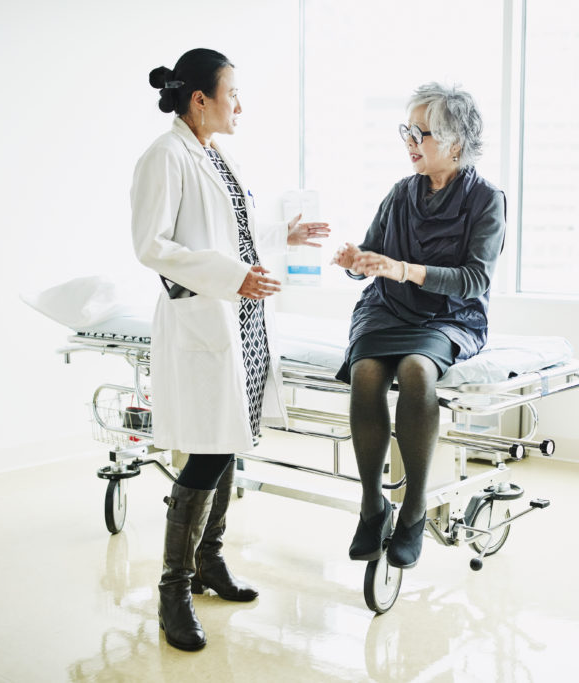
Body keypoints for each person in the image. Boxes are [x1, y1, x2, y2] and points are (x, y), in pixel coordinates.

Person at [131, 48, 330, 651]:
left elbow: (228, 229)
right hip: (204, 320)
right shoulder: (164, 156)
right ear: (200, 99)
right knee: (209, 452)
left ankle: (210, 564)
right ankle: (173, 588)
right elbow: (153, 245)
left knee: (229, 442)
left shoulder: (215, 154)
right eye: (232, 93)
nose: (239, 104)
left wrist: (280, 236)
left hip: (239, 319)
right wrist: (231, 275)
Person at [330, 83, 506, 570]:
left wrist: (403, 268)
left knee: (417, 371)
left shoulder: (486, 200)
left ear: (454, 141)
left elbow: (475, 279)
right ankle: (372, 504)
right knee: (365, 372)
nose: (409, 141)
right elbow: (371, 257)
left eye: (420, 132)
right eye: (406, 130)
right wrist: (355, 262)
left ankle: (412, 509)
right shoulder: (401, 193)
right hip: (386, 306)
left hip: (450, 315)